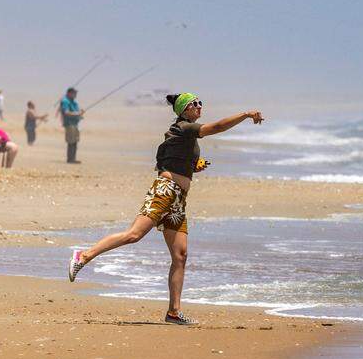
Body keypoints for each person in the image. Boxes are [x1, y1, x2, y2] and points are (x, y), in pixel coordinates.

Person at [67, 93, 264, 325]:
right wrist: (245, 114)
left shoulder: (184, 136)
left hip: (179, 199)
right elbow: (217, 127)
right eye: (194, 104)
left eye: (201, 103)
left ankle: (174, 312)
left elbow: (173, 159)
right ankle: (84, 255)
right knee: (134, 235)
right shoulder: (184, 127)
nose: (199, 106)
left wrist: (193, 166)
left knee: (180, 256)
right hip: (165, 191)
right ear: (184, 110)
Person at [60, 87, 84, 164]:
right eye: (74, 93)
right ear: (69, 93)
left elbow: (76, 112)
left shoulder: (74, 102)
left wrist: (80, 114)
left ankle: (73, 158)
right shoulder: (65, 101)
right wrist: (77, 113)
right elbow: (66, 112)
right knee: (71, 141)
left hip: (75, 124)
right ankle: (70, 159)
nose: (75, 95)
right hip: (69, 124)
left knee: (75, 141)